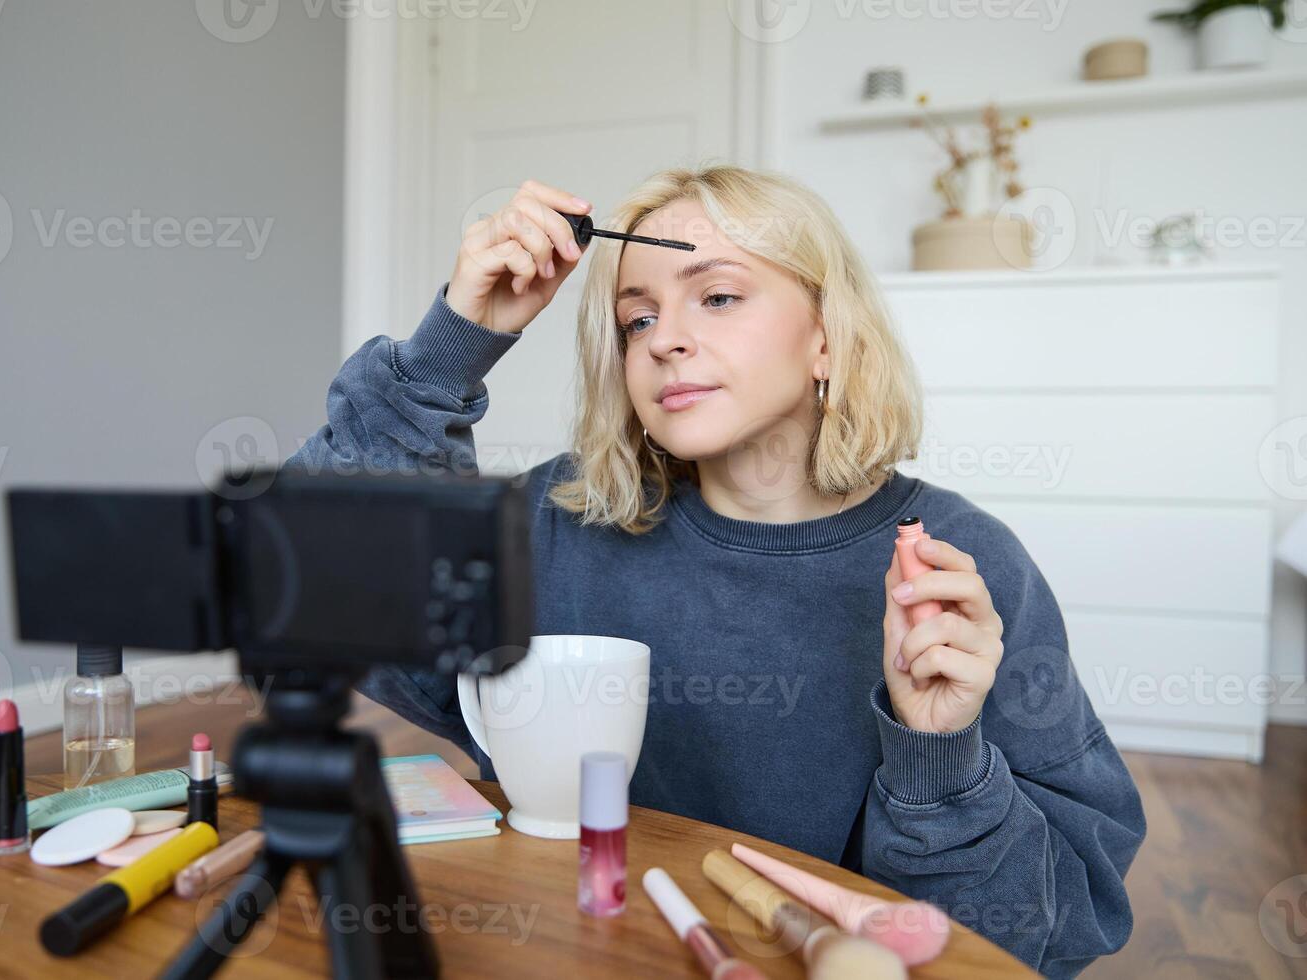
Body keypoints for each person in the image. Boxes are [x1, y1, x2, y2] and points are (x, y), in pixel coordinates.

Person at [282, 168, 1145, 977]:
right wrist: (451, 347)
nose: (667, 342)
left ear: (826, 339)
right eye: (638, 319)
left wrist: (940, 755)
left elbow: (1045, 932)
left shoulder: (961, 565)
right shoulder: (562, 517)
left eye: (719, 296)